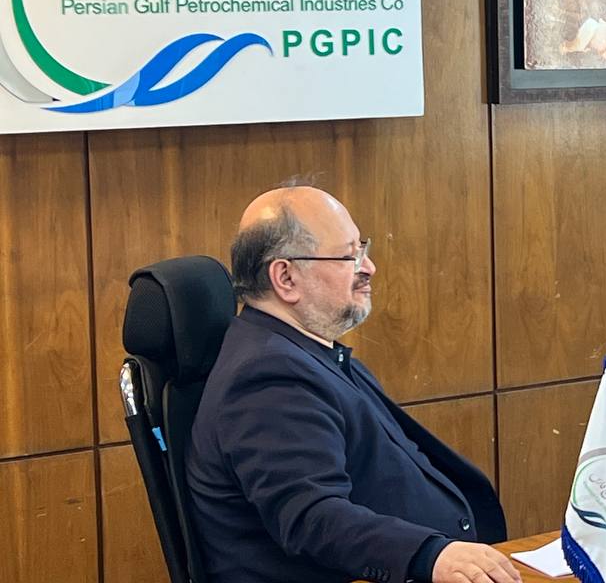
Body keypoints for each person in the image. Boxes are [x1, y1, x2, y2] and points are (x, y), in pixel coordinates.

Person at [187, 184, 521, 583]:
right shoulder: (268, 376)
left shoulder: (305, 352)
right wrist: (431, 555)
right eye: (349, 256)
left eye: (362, 249)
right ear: (286, 277)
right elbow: (313, 517)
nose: (369, 268)